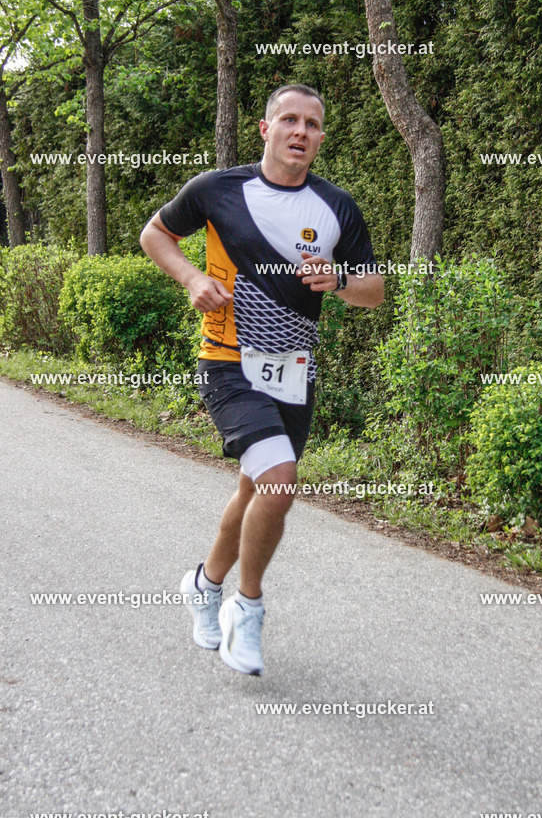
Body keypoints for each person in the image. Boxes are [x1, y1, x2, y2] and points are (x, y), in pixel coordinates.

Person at [140, 84, 384, 676]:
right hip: (228, 360)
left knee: (256, 491)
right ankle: (245, 610)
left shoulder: (338, 207)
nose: (301, 131)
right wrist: (192, 279)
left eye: (313, 124)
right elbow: (155, 235)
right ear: (266, 128)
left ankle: (204, 585)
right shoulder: (217, 189)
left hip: (294, 370)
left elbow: (373, 291)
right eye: (290, 120)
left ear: (320, 137)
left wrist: (339, 282)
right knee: (279, 481)